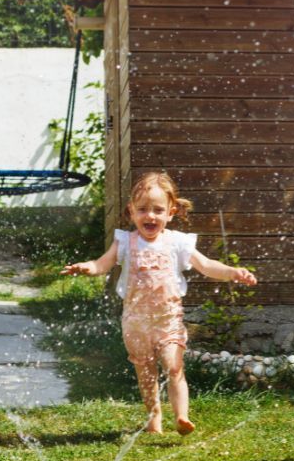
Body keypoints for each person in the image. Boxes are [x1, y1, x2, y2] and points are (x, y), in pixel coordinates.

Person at [62, 172, 257, 435]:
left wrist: (233, 272)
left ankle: (182, 416)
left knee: (174, 367)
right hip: (136, 323)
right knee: (146, 373)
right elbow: (102, 264)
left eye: (157, 210)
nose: (150, 216)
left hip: (168, 321)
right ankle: (154, 420)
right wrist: (86, 267)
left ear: (170, 212)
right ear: (131, 212)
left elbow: (206, 265)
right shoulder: (125, 242)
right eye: (143, 209)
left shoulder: (177, 242)